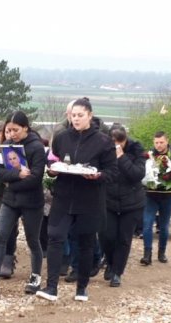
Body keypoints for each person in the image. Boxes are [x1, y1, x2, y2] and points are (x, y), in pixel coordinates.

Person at [37, 98, 118, 302]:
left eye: (80, 115)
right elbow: (53, 159)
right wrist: (53, 170)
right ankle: (51, 287)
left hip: (89, 199)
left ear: (89, 116)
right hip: (64, 196)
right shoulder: (62, 137)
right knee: (55, 237)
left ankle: (82, 288)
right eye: (73, 115)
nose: (76, 119)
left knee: (85, 243)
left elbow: (112, 172)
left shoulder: (103, 141)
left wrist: (97, 175)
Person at [0, 111, 46, 296]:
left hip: (31, 201)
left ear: (25, 129)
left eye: (15, 130)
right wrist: (17, 175)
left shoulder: (36, 147)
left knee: (32, 240)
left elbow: (36, 177)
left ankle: (36, 276)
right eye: (8, 130)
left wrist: (13, 181)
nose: (11, 134)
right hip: (10, 199)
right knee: (0, 236)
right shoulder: (6, 146)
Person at [101, 124, 146, 287]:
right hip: (109, 200)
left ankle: (117, 272)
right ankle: (110, 263)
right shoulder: (104, 149)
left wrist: (121, 157)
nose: (117, 145)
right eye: (114, 142)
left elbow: (137, 174)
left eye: (120, 142)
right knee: (107, 236)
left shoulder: (137, 150)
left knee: (124, 238)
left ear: (125, 140)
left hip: (132, 201)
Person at [0, 120, 19, 277]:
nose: (9, 135)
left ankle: (8, 257)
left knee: (11, 228)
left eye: (11, 131)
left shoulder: (20, 148)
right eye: (6, 132)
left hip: (15, 191)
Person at [140, 131, 171, 265]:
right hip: (151, 194)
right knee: (147, 224)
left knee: (164, 226)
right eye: (156, 143)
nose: (159, 145)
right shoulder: (148, 155)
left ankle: (162, 252)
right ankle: (147, 254)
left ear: (167, 141)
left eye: (161, 142)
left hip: (167, 195)